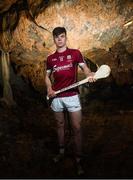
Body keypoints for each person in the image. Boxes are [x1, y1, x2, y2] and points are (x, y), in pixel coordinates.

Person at [45, 27, 96, 175]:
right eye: (56, 37)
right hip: (56, 96)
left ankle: (78, 160)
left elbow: (84, 68)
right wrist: (49, 88)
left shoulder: (75, 53)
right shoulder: (50, 59)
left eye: (62, 36)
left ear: (66, 37)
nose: (59, 39)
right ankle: (61, 152)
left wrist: (89, 74)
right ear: (53, 39)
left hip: (72, 95)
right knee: (60, 125)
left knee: (77, 128)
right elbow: (47, 76)